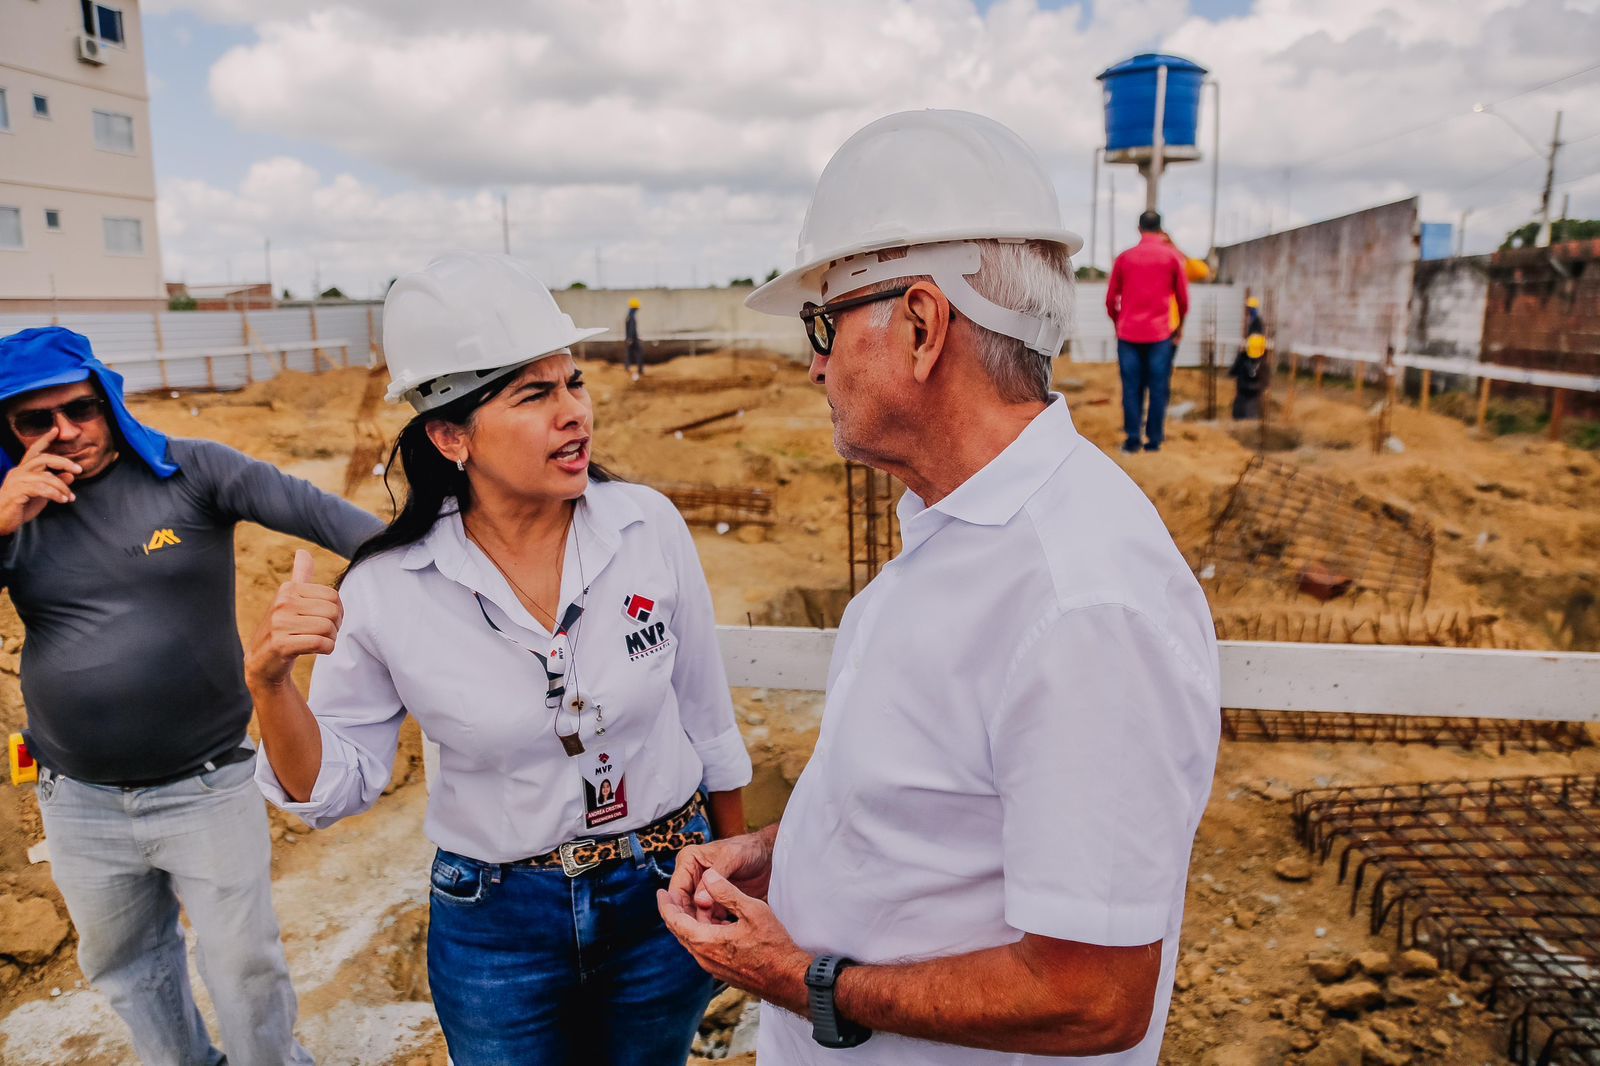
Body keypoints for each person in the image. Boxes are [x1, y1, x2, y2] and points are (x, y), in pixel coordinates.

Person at [658, 109, 1220, 1065]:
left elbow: (1091, 997)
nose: (814, 364)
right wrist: (786, 850)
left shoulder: (1080, 606)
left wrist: (800, 979)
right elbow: (947, 805)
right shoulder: (962, 534)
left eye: (826, 323)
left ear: (921, 325)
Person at [246, 252, 752, 1064]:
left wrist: (731, 877)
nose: (574, 414)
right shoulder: (388, 589)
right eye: (535, 394)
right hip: (497, 926)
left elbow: (707, 719)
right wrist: (270, 685)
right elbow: (333, 788)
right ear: (450, 435)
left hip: (664, 887)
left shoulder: (646, 527)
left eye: (574, 384)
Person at [0, 325, 382, 1066]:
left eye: (79, 409)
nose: (65, 433)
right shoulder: (13, 513)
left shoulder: (191, 472)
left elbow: (331, 518)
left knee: (244, 968)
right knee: (129, 971)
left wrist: (462, 573)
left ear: (107, 397)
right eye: (35, 421)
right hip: (77, 801)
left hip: (206, 787)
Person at [1106, 210, 1189, 453]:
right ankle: (1153, 442)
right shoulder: (1172, 258)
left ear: (1139, 228)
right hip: (1161, 335)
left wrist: (1118, 324)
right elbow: (1183, 300)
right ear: (1160, 228)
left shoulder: (1124, 258)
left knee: (1131, 388)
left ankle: (1132, 440)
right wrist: (1179, 328)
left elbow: (1111, 300)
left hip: (1128, 334)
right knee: (1158, 388)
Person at [1229, 297, 1270, 420]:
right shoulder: (1253, 320)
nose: (1247, 310)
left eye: (1248, 308)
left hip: (1254, 351)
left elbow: (1257, 337)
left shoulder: (1257, 321)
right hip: (1253, 351)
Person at [624, 297, 645, 381]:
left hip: (630, 338)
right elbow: (632, 328)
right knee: (639, 352)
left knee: (629, 353)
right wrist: (631, 338)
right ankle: (640, 369)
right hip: (633, 339)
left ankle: (627, 367)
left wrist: (628, 338)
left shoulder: (628, 316)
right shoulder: (632, 316)